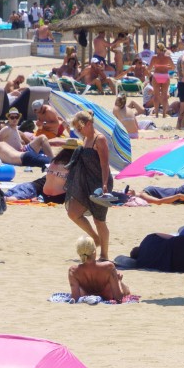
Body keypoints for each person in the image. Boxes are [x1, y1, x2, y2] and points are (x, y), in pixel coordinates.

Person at [63, 111, 113, 260]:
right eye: (77, 129)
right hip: (85, 181)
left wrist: (104, 185)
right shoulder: (86, 138)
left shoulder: (100, 139)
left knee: (99, 220)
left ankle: (104, 255)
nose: (78, 131)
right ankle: (95, 239)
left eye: (80, 128)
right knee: (73, 212)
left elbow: (105, 165)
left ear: (89, 124)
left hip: (99, 182)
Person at [68, 235, 130, 302]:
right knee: (127, 290)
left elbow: (75, 298)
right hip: (107, 296)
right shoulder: (108, 267)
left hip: (86, 295)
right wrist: (119, 281)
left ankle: (89, 298)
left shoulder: (73, 271)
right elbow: (118, 298)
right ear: (94, 251)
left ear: (78, 252)